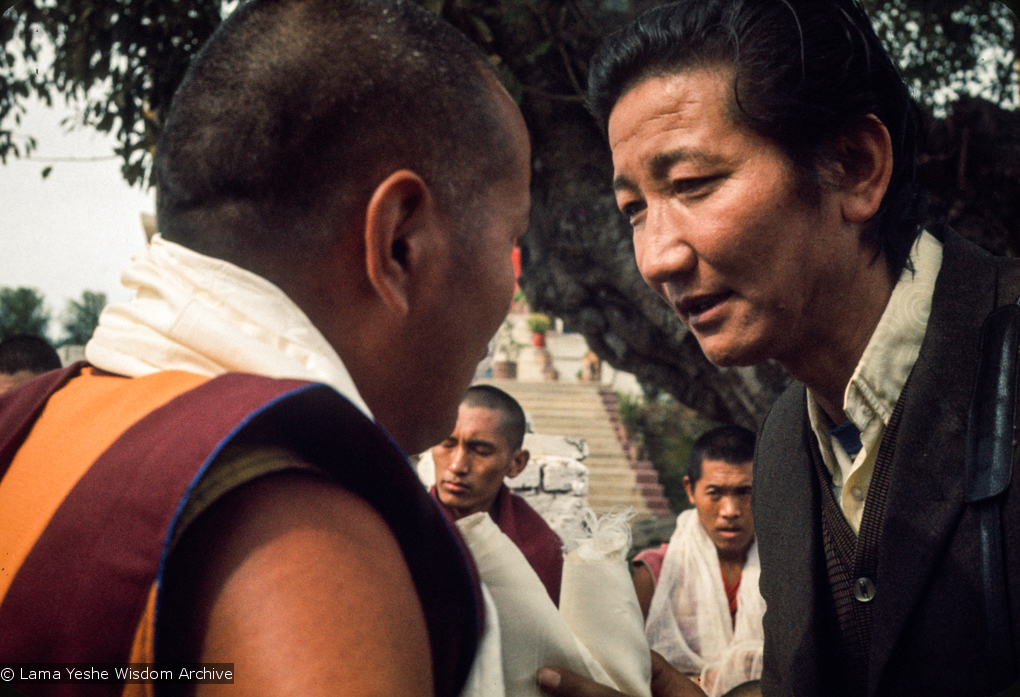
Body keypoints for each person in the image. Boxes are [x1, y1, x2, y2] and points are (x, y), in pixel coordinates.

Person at [0, 1, 530, 696]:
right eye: (510, 239)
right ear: (401, 244)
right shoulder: (303, 543)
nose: (511, 290)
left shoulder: (39, 417)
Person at [587, 1, 1020, 696]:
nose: (656, 257)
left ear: (854, 167)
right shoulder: (786, 445)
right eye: (634, 208)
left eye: (692, 184)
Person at [633, 426, 764, 697]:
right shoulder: (655, 575)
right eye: (715, 493)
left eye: (745, 492)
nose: (730, 511)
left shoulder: (790, 570)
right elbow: (630, 674)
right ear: (690, 490)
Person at [432, 384, 564, 604]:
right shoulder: (400, 527)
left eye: (480, 451)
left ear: (516, 463)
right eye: (447, 444)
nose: (457, 466)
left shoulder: (539, 547)